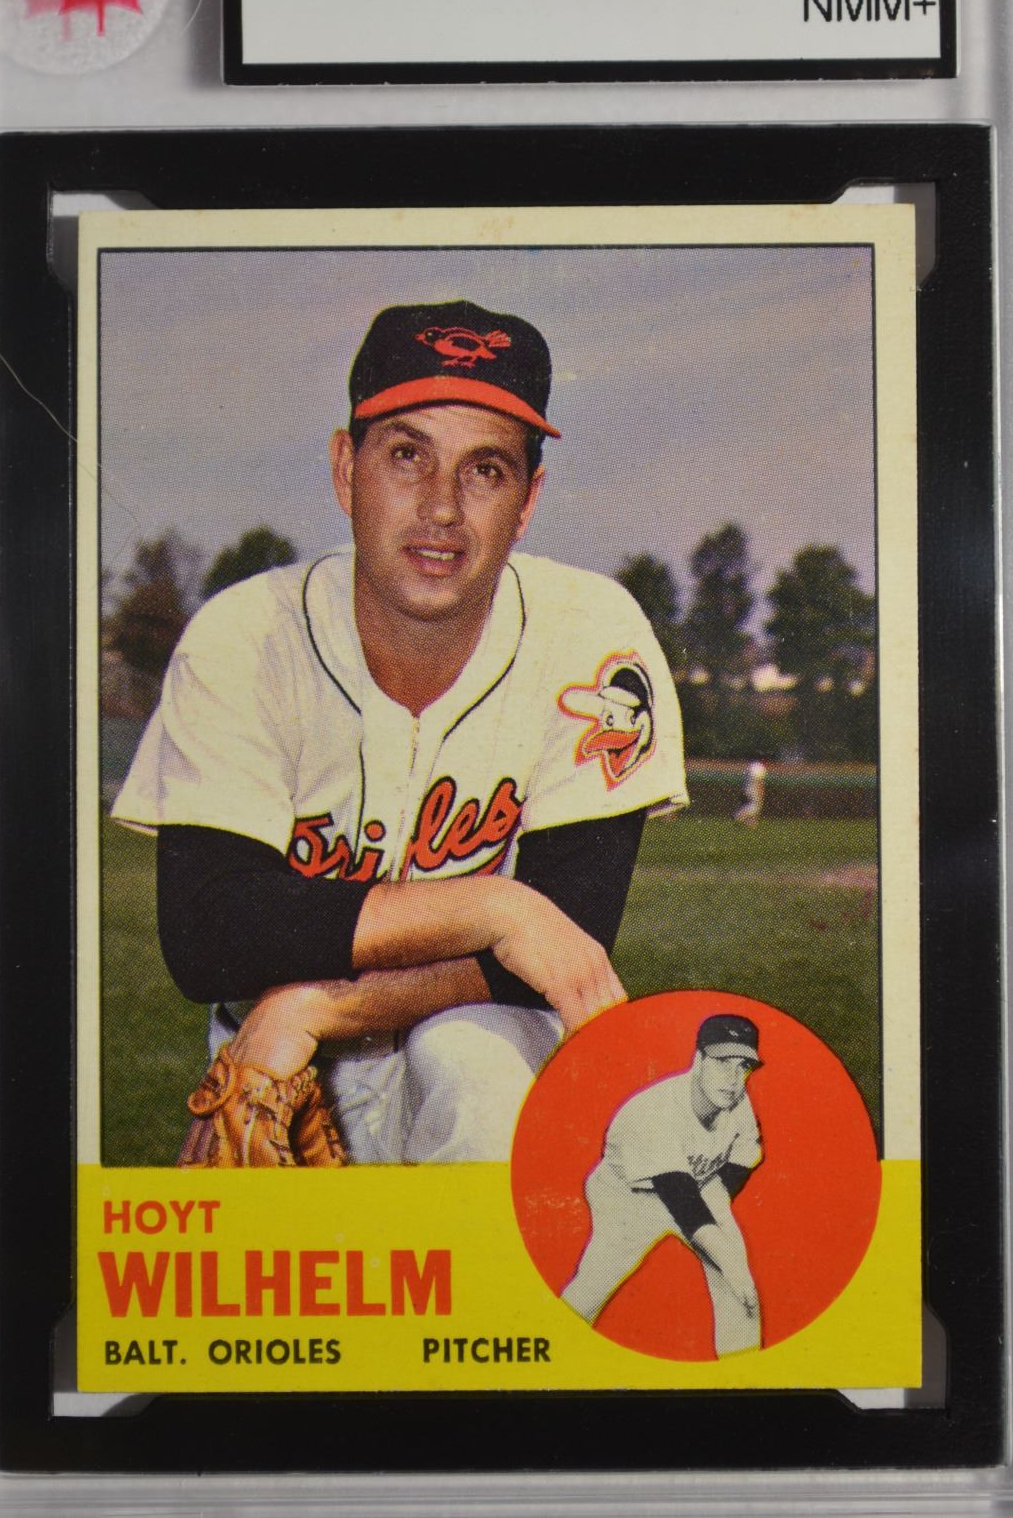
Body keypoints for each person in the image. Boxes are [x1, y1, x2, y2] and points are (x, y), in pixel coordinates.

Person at [112, 299, 687, 1164]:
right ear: (347, 470)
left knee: (477, 1075)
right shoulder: (246, 637)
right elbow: (209, 934)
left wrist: (315, 1004)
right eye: (407, 455)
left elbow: (572, 937)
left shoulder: (589, 634)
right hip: (279, 1073)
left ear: (527, 501)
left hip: (460, 1040)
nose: (441, 507)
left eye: (485, 469)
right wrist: (497, 905)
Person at [561, 1013, 763, 1356]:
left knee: (739, 1293)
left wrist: (716, 1204)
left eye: (742, 1066)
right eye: (722, 1062)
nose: (732, 1078)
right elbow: (679, 1197)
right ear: (698, 1060)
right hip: (628, 1198)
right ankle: (553, 1350)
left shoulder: (735, 1101)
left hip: (698, 1189)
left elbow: (743, 1156)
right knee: (594, 1285)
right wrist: (730, 1260)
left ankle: (744, 1374)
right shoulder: (654, 1113)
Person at [735, 758, 767, 826]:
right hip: (754, 789)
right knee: (755, 806)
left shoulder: (752, 766)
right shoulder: (760, 768)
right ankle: (739, 815)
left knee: (749, 804)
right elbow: (759, 782)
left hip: (746, 788)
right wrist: (761, 792)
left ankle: (750, 822)